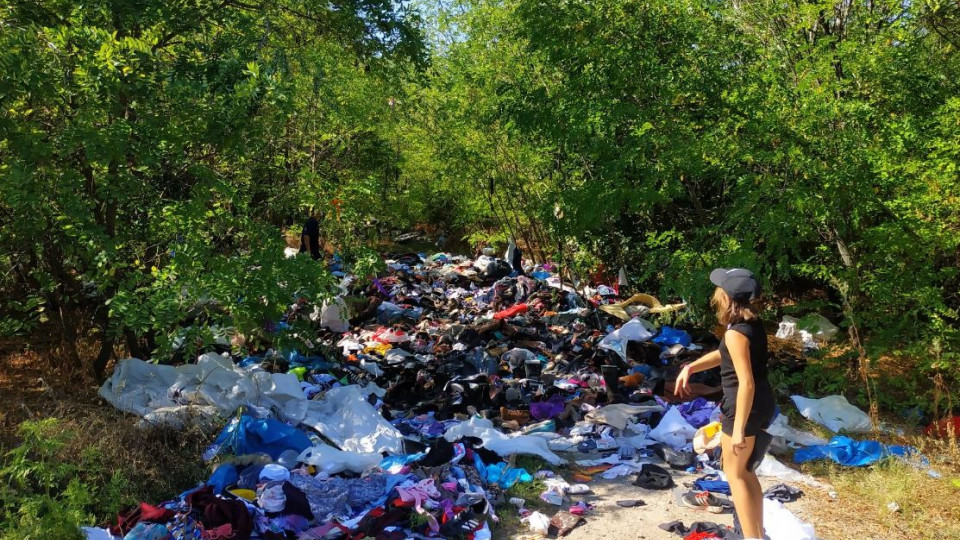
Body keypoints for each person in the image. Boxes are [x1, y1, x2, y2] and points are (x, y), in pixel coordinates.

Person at [674, 268, 774, 540]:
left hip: (744, 405)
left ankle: (752, 537)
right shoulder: (749, 326)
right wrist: (691, 367)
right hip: (760, 403)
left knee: (734, 473)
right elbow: (723, 355)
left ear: (727, 297)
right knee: (745, 471)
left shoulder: (736, 333)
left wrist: (739, 428)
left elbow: (746, 383)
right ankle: (758, 533)